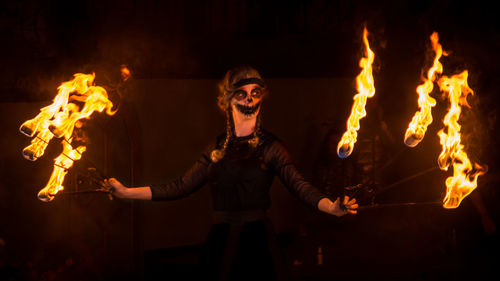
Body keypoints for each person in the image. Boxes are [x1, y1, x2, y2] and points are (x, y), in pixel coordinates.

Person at [105, 66, 358, 281]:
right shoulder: (217, 147)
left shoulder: (271, 147)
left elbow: (299, 185)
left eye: (255, 93)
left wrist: (331, 207)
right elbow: (179, 187)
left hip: (258, 244)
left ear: (261, 98)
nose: (249, 99)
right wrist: (127, 192)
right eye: (241, 93)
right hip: (221, 241)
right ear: (228, 100)